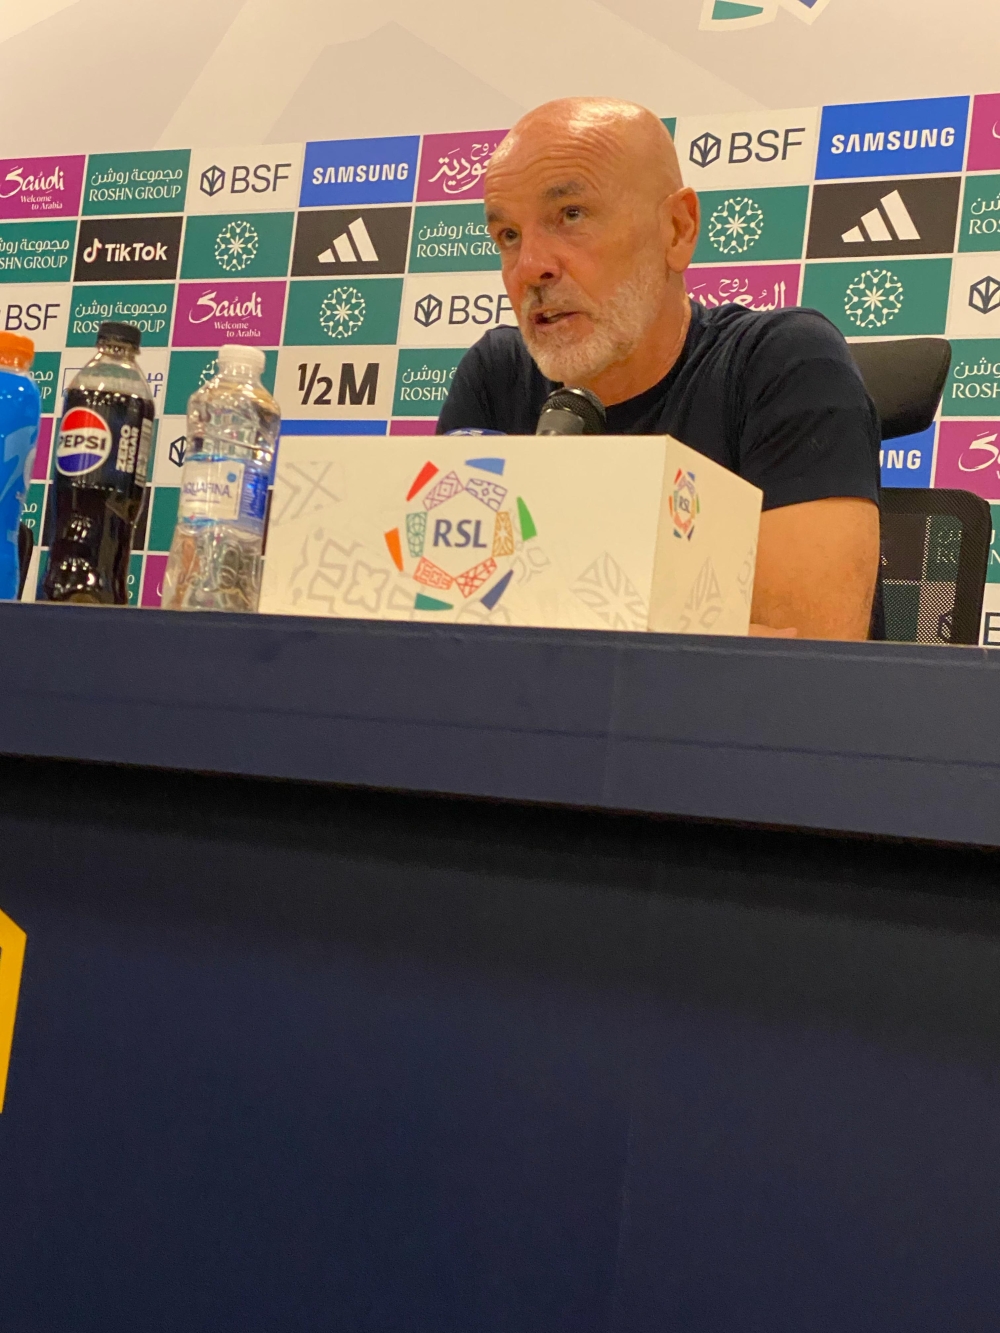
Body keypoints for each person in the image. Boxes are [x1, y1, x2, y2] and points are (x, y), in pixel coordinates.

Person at [436, 97, 881, 641]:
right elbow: (439, 623)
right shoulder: (496, 374)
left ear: (677, 229)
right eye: (508, 236)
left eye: (571, 215)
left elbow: (802, 660)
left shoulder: (785, 363)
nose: (531, 267)